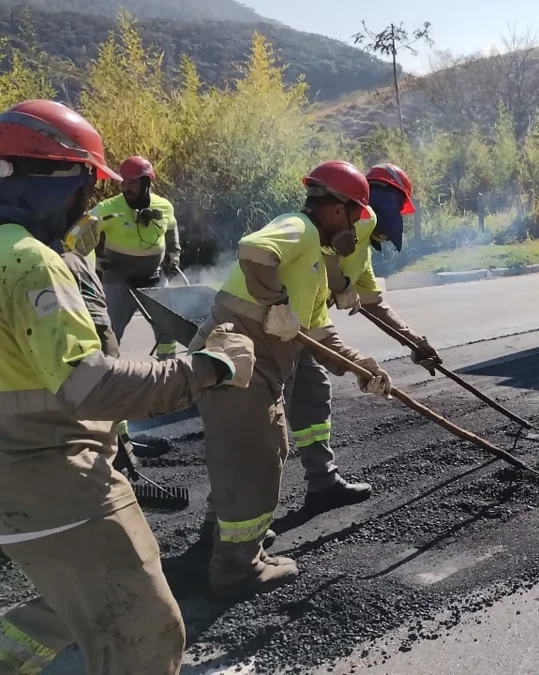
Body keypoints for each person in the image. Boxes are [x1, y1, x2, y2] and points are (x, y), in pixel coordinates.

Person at [0, 99, 255, 675]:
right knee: (147, 634)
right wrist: (209, 368)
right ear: (63, 180)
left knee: (74, 600)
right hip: (56, 477)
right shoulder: (30, 263)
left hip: (17, 487)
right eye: (89, 186)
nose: (88, 203)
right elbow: (89, 385)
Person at [191, 160, 395, 597]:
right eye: (357, 213)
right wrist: (277, 305)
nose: (359, 224)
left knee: (250, 451)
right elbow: (253, 251)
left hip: (259, 362)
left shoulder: (317, 268)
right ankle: (237, 567)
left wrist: (364, 369)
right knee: (255, 456)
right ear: (336, 209)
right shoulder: (299, 228)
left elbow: (322, 335)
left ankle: (226, 540)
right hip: (241, 354)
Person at [284, 163, 442, 515]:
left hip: (308, 327)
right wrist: (339, 283)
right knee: (268, 424)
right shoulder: (362, 218)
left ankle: (323, 482)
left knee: (313, 399)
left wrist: (416, 343)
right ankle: (228, 523)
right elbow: (316, 256)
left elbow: (375, 303)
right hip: (281, 327)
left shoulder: (362, 252)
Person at [91, 156, 182, 360]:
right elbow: (79, 232)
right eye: (124, 181)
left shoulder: (164, 206)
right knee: (109, 332)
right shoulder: (107, 208)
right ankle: (106, 375)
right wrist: (93, 261)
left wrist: (174, 254)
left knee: (168, 328)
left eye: (133, 182)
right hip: (117, 281)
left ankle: (168, 370)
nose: (126, 187)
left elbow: (171, 229)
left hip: (154, 280)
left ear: (147, 182)